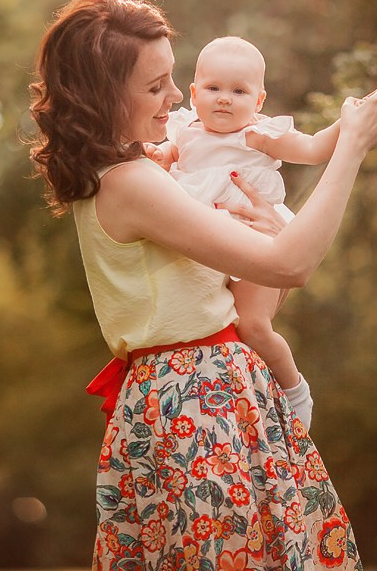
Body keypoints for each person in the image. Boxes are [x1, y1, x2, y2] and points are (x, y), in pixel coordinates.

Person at [28, 0, 377, 571]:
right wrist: (350, 146)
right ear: (103, 96)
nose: (176, 98)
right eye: (156, 86)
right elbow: (291, 266)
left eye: (173, 80)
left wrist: (273, 228)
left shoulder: (142, 171)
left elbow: (274, 268)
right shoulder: (130, 183)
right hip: (197, 403)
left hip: (209, 391)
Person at [146, 35, 344, 428]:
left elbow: (314, 149)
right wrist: (157, 155)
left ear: (259, 101)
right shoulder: (184, 131)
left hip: (258, 239)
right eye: (214, 88)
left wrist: (350, 125)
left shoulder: (256, 136)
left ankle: (295, 393)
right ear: (194, 92)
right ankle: (249, 406)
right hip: (209, 248)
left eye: (239, 91)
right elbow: (163, 160)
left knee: (252, 326)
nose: (224, 98)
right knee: (222, 330)